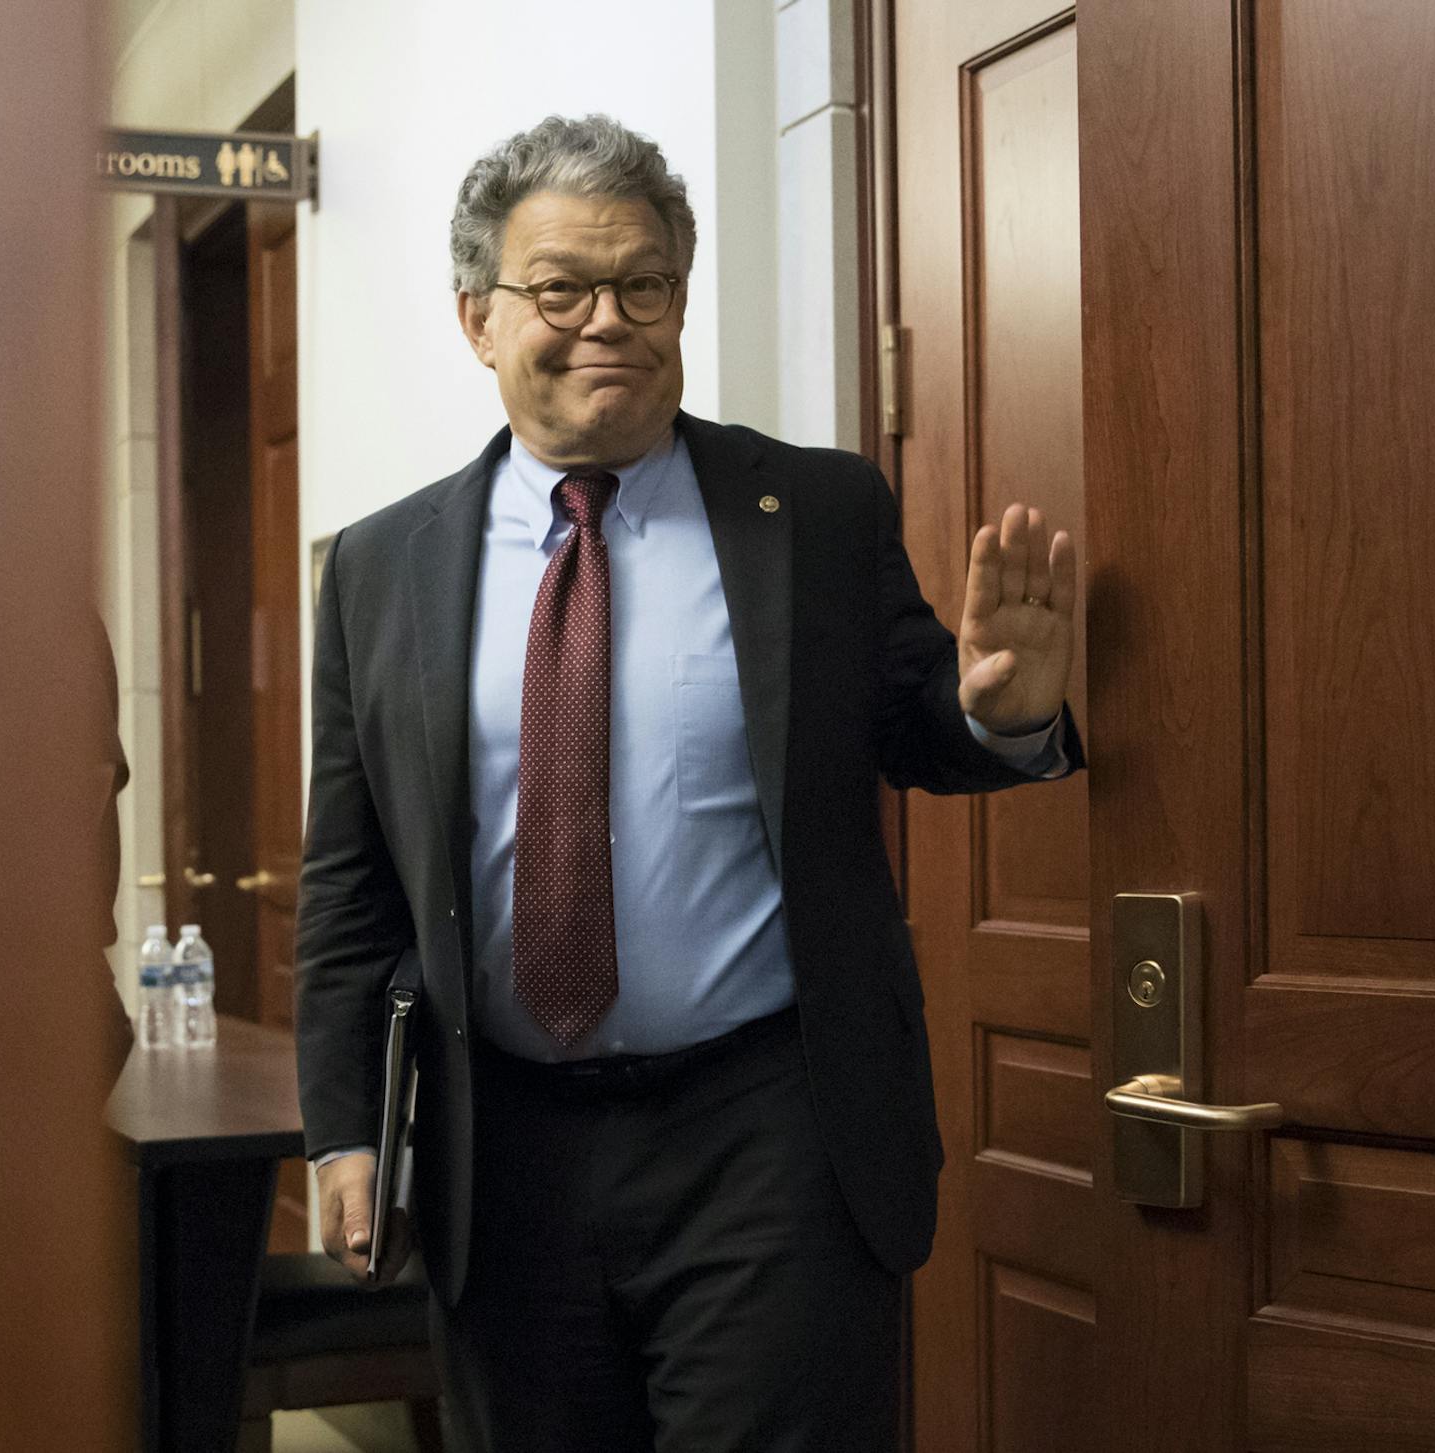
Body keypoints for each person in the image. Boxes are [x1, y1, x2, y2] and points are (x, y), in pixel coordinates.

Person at [295, 113, 1083, 1453]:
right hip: (504, 1146)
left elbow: (913, 726)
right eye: (562, 288)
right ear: (480, 318)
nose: (608, 319)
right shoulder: (381, 569)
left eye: (645, 283)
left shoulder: (817, 514)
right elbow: (350, 881)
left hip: (768, 1131)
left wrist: (998, 713)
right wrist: (342, 1130)